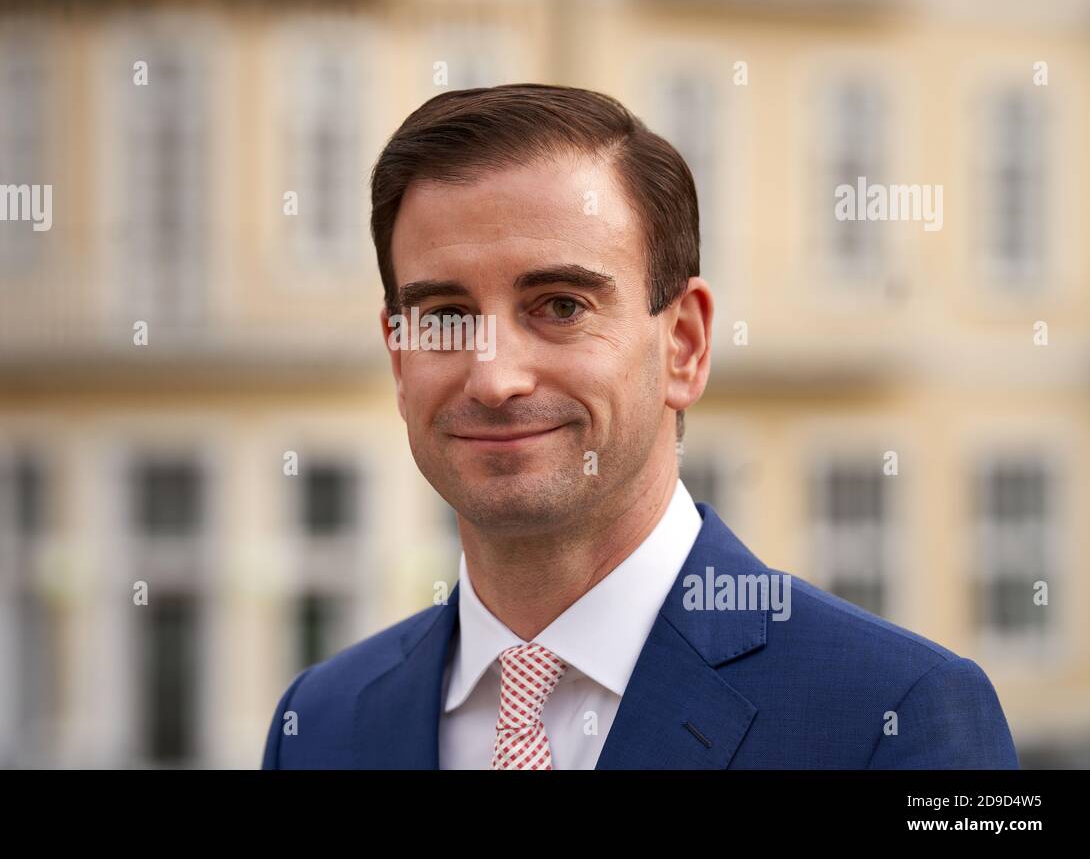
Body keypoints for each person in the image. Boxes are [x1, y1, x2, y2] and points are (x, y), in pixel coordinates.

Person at [261, 84, 1019, 769]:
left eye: (560, 306)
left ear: (684, 344)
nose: (493, 378)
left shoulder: (900, 718)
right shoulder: (321, 726)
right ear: (399, 361)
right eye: (447, 318)